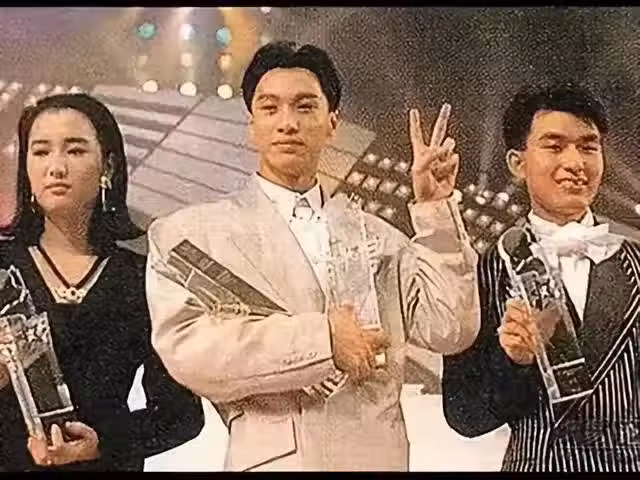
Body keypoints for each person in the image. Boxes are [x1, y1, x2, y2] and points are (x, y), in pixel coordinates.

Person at [145, 40, 479, 471]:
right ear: (252, 126)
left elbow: (451, 328)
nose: (288, 123)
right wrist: (323, 342)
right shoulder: (192, 235)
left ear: (332, 123)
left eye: (305, 107)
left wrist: (435, 209)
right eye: (270, 108)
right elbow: (190, 351)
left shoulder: (380, 239)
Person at [0, 93, 204, 471]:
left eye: (75, 151)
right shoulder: (3, 266)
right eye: (40, 152)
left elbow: (181, 416)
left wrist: (102, 444)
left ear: (107, 165)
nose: (55, 167)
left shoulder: (144, 278)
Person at [441, 83, 640, 471]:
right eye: (554, 146)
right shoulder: (485, 269)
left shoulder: (635, 261)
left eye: (588, 147)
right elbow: (465, 414)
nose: (575, 162)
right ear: (518, 163)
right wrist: (513, 362)